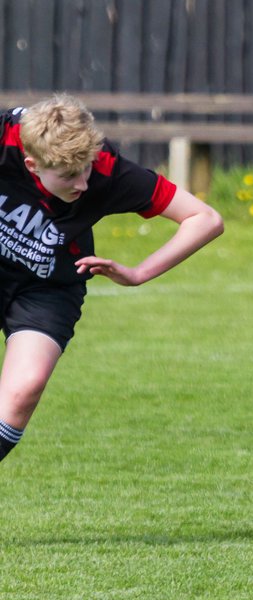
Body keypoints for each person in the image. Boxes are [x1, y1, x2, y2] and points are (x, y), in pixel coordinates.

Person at [0, 94, 224, 467]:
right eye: (70, 176)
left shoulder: (107, 169)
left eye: (86, 168)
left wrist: (139, 273)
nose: (84, 184)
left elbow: (205, 219)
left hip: (48, 284)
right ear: (32, 165)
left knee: (25, 389)